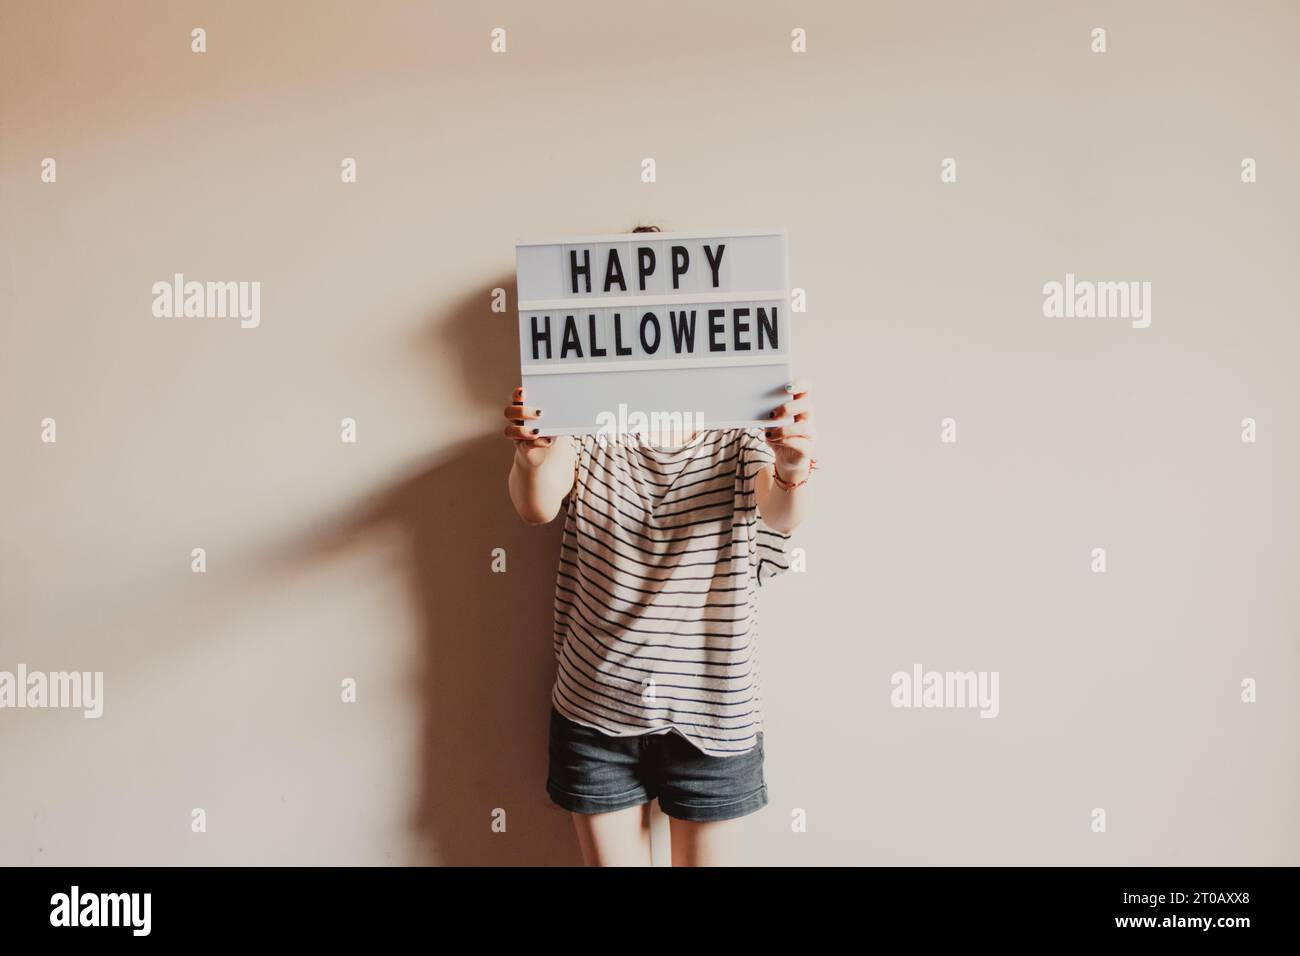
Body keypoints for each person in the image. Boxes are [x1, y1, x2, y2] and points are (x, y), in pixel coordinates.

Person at [503, 226, 816, 866]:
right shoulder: (585, 426)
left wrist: (791, 466)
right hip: (596, 707)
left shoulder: (739, 428)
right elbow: (536, 508)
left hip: (715, 712)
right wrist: (534, 459)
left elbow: (778, 516)